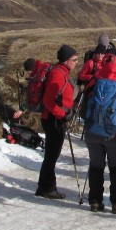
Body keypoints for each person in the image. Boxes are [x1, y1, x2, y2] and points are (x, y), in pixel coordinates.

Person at [83, 53, 116, 213]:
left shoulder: (93, 83)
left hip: (93, 133)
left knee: (95, 167)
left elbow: (83, 111)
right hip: (115, 134)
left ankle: (95, 201)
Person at [35, 44, 78, 200]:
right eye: (74, 59)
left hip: (54, 118)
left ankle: (45, 186)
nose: (76, 62)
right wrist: (62, 115)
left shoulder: (61, 72)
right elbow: (48, 100)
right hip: (53, 119)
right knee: (52, 155)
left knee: (51, 155)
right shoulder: (58, 74)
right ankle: (47, 188)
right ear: (66, 60)